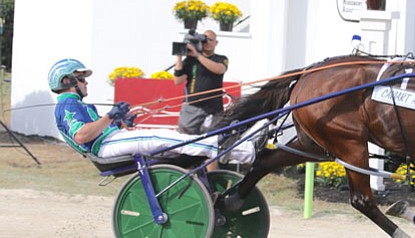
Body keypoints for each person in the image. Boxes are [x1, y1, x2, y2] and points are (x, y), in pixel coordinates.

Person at [48, 58, 262, 164]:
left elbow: (96, 129)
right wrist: (110, 115)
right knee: (162, 137)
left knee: (173, 139)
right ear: (67, 81)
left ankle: (237, 149)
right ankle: (246, 151)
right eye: (82, 78)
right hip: (104, 147)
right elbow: (82, 135)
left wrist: (122, 122)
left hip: (110, 139)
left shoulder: (77, 104)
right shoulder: (68, 105)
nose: (86, 83)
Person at [173, 30, 228, 135]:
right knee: (185, 138)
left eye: (210, 40)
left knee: (212, 138)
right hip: (193, 106)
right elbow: (178, 81)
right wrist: (179, 57)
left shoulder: (221, 58)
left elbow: (219, 69)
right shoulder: (190, 60)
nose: (207, 43)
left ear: (216, 43)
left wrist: (198, 55)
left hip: (214, 108)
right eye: (204, 40)